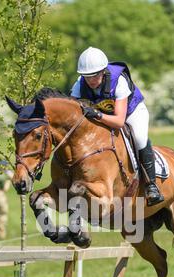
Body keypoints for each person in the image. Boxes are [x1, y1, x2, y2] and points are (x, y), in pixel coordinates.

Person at [70, 47, 164, 206]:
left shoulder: (118, 81)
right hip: (102, 115)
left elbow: (120, 121)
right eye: (87, 76)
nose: (91, 80)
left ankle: (151, 185)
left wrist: (97, 115)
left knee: (140, 138)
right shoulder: (80, 84)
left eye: (95, 75)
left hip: (130, 112)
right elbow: (72, 111)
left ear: (103, 71)